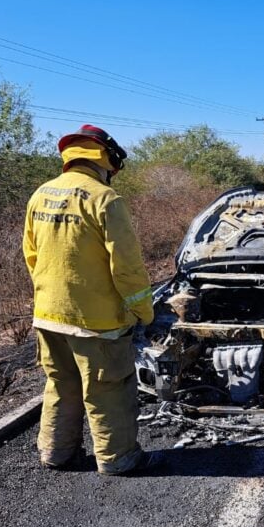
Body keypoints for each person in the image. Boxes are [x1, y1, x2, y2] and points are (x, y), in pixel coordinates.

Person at [23, 124, 156, 475]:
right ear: (107, 160)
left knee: (60, 385)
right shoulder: (105, 199)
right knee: (107, 389)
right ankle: (118, 459)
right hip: (97, 321)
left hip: (48, 314)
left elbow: (32, 255)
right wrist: (143, 311)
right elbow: (126, 268)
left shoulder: (41, 194)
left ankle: (56, 453)